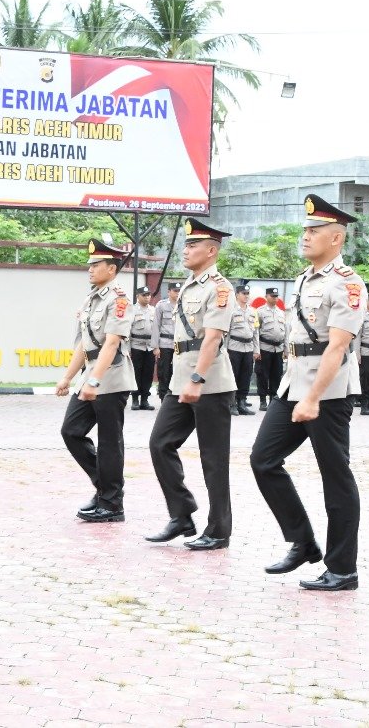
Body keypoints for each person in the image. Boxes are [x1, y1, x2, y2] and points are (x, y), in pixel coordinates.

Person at [251, 195, 364, 591]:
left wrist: (313, 397)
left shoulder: (348, 283)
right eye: (305, 229)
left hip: (327, 393)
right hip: (292, 385)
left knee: (335, 477)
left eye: (314, 231)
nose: (306, 235)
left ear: (335, 238)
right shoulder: (302, 279)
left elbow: (337, 346)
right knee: (263, 460)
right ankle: (302, 541)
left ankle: (342, 569)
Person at [145, 218, 236, 552]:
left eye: (193, 245)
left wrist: (198, 378)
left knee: (213, 459)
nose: (185, 250)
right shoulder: (188, 284)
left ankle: (219, 530)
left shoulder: (219, 287)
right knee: (160, 443)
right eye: (185, 244)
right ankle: (182, 514)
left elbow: (212, 338)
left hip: (208, 382)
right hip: (181, 377)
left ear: (211, 251)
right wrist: (185, 379)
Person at [55, 239, 136, 523]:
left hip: (111, 378)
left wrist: (95, 381)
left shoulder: (119, 301)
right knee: (71, 431)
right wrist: (67, 377)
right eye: (89, 264)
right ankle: (104, 488)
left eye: (96, 265)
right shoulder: (91, 299)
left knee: (110, 442)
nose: (89, 269)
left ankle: (113, 504)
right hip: (90, 374)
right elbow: (84, 344)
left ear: (111, 269)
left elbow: (112, 343)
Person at [224, 284, 258, 416]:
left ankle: (242, 403)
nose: (246, 296)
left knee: (246, 375)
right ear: (237, 295)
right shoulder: (231, 310)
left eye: (248, 293)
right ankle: (231, 404)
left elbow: (256, 332)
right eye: (244, 293)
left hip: (248, 348)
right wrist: (225, 349)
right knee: (233, 376)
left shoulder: (252, 311)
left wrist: (257, 350)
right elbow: (226, 332)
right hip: (234, 347)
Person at [255, 289, 287, 411]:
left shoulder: (281, 312)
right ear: (266, 297)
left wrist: (286, 349)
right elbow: (256, 332)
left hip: (278, 349)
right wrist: (256, 349)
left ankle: (273, 399)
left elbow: (285, 331)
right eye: (272, 296)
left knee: (276, 375)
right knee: (262, 375)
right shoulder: (260, 312)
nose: (275, 298)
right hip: (264, 347)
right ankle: (263, 400)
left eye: (276, 296)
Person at [128, 286, 157, 410]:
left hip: (150, 347)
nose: (147, 297)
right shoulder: (132, 310)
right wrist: (128, 348)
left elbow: (156, 330)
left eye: (148, 295)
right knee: (136, 373)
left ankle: (144, 400)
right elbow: (127, 330)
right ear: (137, 296)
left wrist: (156, 346)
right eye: (144, 295)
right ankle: (135, 399)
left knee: (148, 373)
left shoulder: (153, 310)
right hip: (136, 345)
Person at [153, 282, 181, 404]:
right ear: (169, 292)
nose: (177, 293)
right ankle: (163, 396)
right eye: (175, 291)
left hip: (179, 343)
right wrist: (155, 346)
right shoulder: (161, 306)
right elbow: (156, 326)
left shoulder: (183, 305)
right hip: (164, 343)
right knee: (164, 371)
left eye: (179, 291)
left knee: (177, 370)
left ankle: (175, 395)